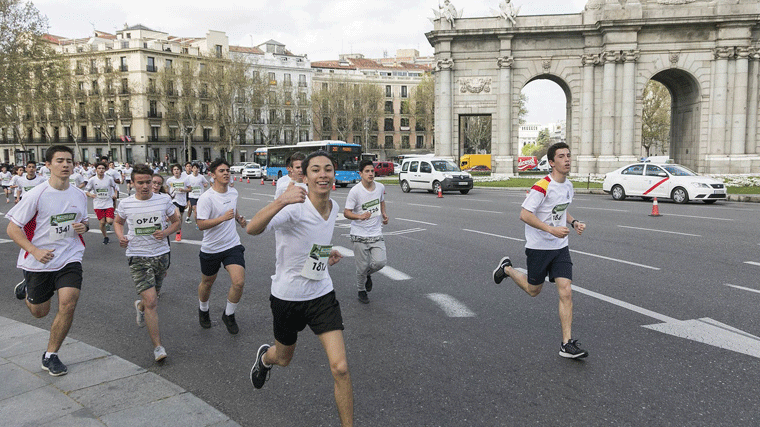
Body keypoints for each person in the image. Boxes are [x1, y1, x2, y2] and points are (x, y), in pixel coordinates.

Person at [247, 150, 352, 427]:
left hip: (321, 294)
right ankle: (265, 359)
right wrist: (282, 200)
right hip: (287, 297)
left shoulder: (335, 208)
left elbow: (312, 240)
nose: (323, 175)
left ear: (334, 174)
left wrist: (324, 256)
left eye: (327, 169)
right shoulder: (293, 207)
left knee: (340, 368)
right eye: (315, 170)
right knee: (283, 358)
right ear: (303, 176)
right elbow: (253, 229)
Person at [493, 142, 589, 359]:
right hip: (539, 247)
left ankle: (567, 344)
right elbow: (525, 214)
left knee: (565, 290)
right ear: (552, 162)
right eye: (561, 157)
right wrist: (550, 229)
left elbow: (561, 210)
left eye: (568, 155)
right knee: (533, 290)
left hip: (560, 247)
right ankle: (507, 269)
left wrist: (574, 222)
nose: (567, 160)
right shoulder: (541, 186)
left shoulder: (568, 186)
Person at [5, 145, 89, 376]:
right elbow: (13, 229)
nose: (65, 165)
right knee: (40, 311)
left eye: (69, 161)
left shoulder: (79, 195)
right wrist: (34, 250)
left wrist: (84, 226)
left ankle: (51, 355)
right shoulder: (37, 194)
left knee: (69, 303)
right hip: (39, 261)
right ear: (48, 165)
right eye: (60, 160)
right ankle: (27, 288)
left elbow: (83, 222)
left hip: (70, 256)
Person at [114, 164, 181, 362]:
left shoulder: (163, 200)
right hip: (137, 256)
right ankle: (158, 347)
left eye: (148, 182)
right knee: (152, 301)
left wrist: (166, 232)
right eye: (140, 182)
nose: (145, 186)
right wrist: (121, 237)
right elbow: (118, 222)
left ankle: (140, 306)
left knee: (154, 297)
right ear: (132, 183)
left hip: (161, 255)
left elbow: (176, 222)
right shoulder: (126, 204)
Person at [195, 159, 248, 334]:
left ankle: (229, 314)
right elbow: (201, 224)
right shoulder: (206, 198)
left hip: (232, 245)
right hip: (211, 248)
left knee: (238, 282)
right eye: (221, 171)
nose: (226, 173)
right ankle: (203, 310)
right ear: (213, 175)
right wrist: (222, 218)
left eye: (228, 170)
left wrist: (238, 219)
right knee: (207, 283)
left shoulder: (233, 193)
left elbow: (232, 210)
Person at [343, 159, 389, 304]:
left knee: (380, 262)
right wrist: (359, 216)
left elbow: (381, 200)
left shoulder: (380, 187)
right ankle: (361, 290)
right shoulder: (355, 191)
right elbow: (346, 212)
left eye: (372, 171)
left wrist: (384, 214)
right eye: (367, 171)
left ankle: (367, 274)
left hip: (376, 233)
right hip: (359, 234)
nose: (371, 174)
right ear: (360, 173)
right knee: (361, 267)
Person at [85, 162, 119, 244]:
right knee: (102, 222)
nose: (101, 170)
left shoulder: (109, 179)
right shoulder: (92, 180)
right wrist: (91, 195)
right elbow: (86, 190)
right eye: (99, 168)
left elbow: (115, 187)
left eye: (102, 168)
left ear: (105, 169)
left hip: (108, 203)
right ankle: (105, 237)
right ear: (96, 170)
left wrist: (115, 194)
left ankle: (109, 217)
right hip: (98, 204)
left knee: (110, 221)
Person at [166, 164, 191, 241]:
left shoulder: (185, 179)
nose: (176, 171)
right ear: (172, 171)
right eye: (174, 169)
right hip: (173, 200)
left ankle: (178, 231)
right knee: (178, 215)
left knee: (180, 218)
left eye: (177, 169)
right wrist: (168, 195)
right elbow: (166, 189)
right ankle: (175, 231)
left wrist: (183, 190)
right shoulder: (170, 180)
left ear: (180, 171)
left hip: (182, 201)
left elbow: (190, 189)